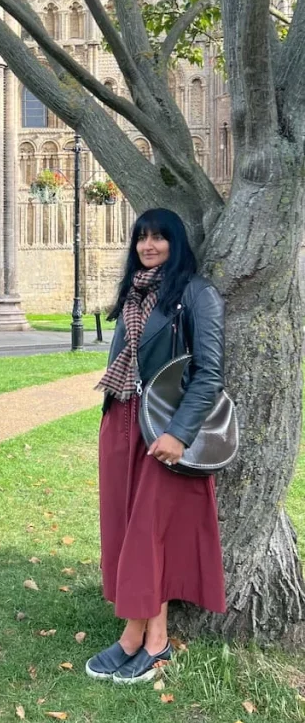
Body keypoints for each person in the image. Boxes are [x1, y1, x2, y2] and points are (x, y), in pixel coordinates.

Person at [85, 208, 226, 684]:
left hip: (163, 427)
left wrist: (179, 433)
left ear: (176, 242)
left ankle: (137, 638)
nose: (148, 246)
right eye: (142, 238)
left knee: (150, 532)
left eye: (159, 238)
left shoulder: (196, 293)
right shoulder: (133, 293)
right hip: (123, 419)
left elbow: (209, 372)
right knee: (126, 531)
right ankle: (152, 639)